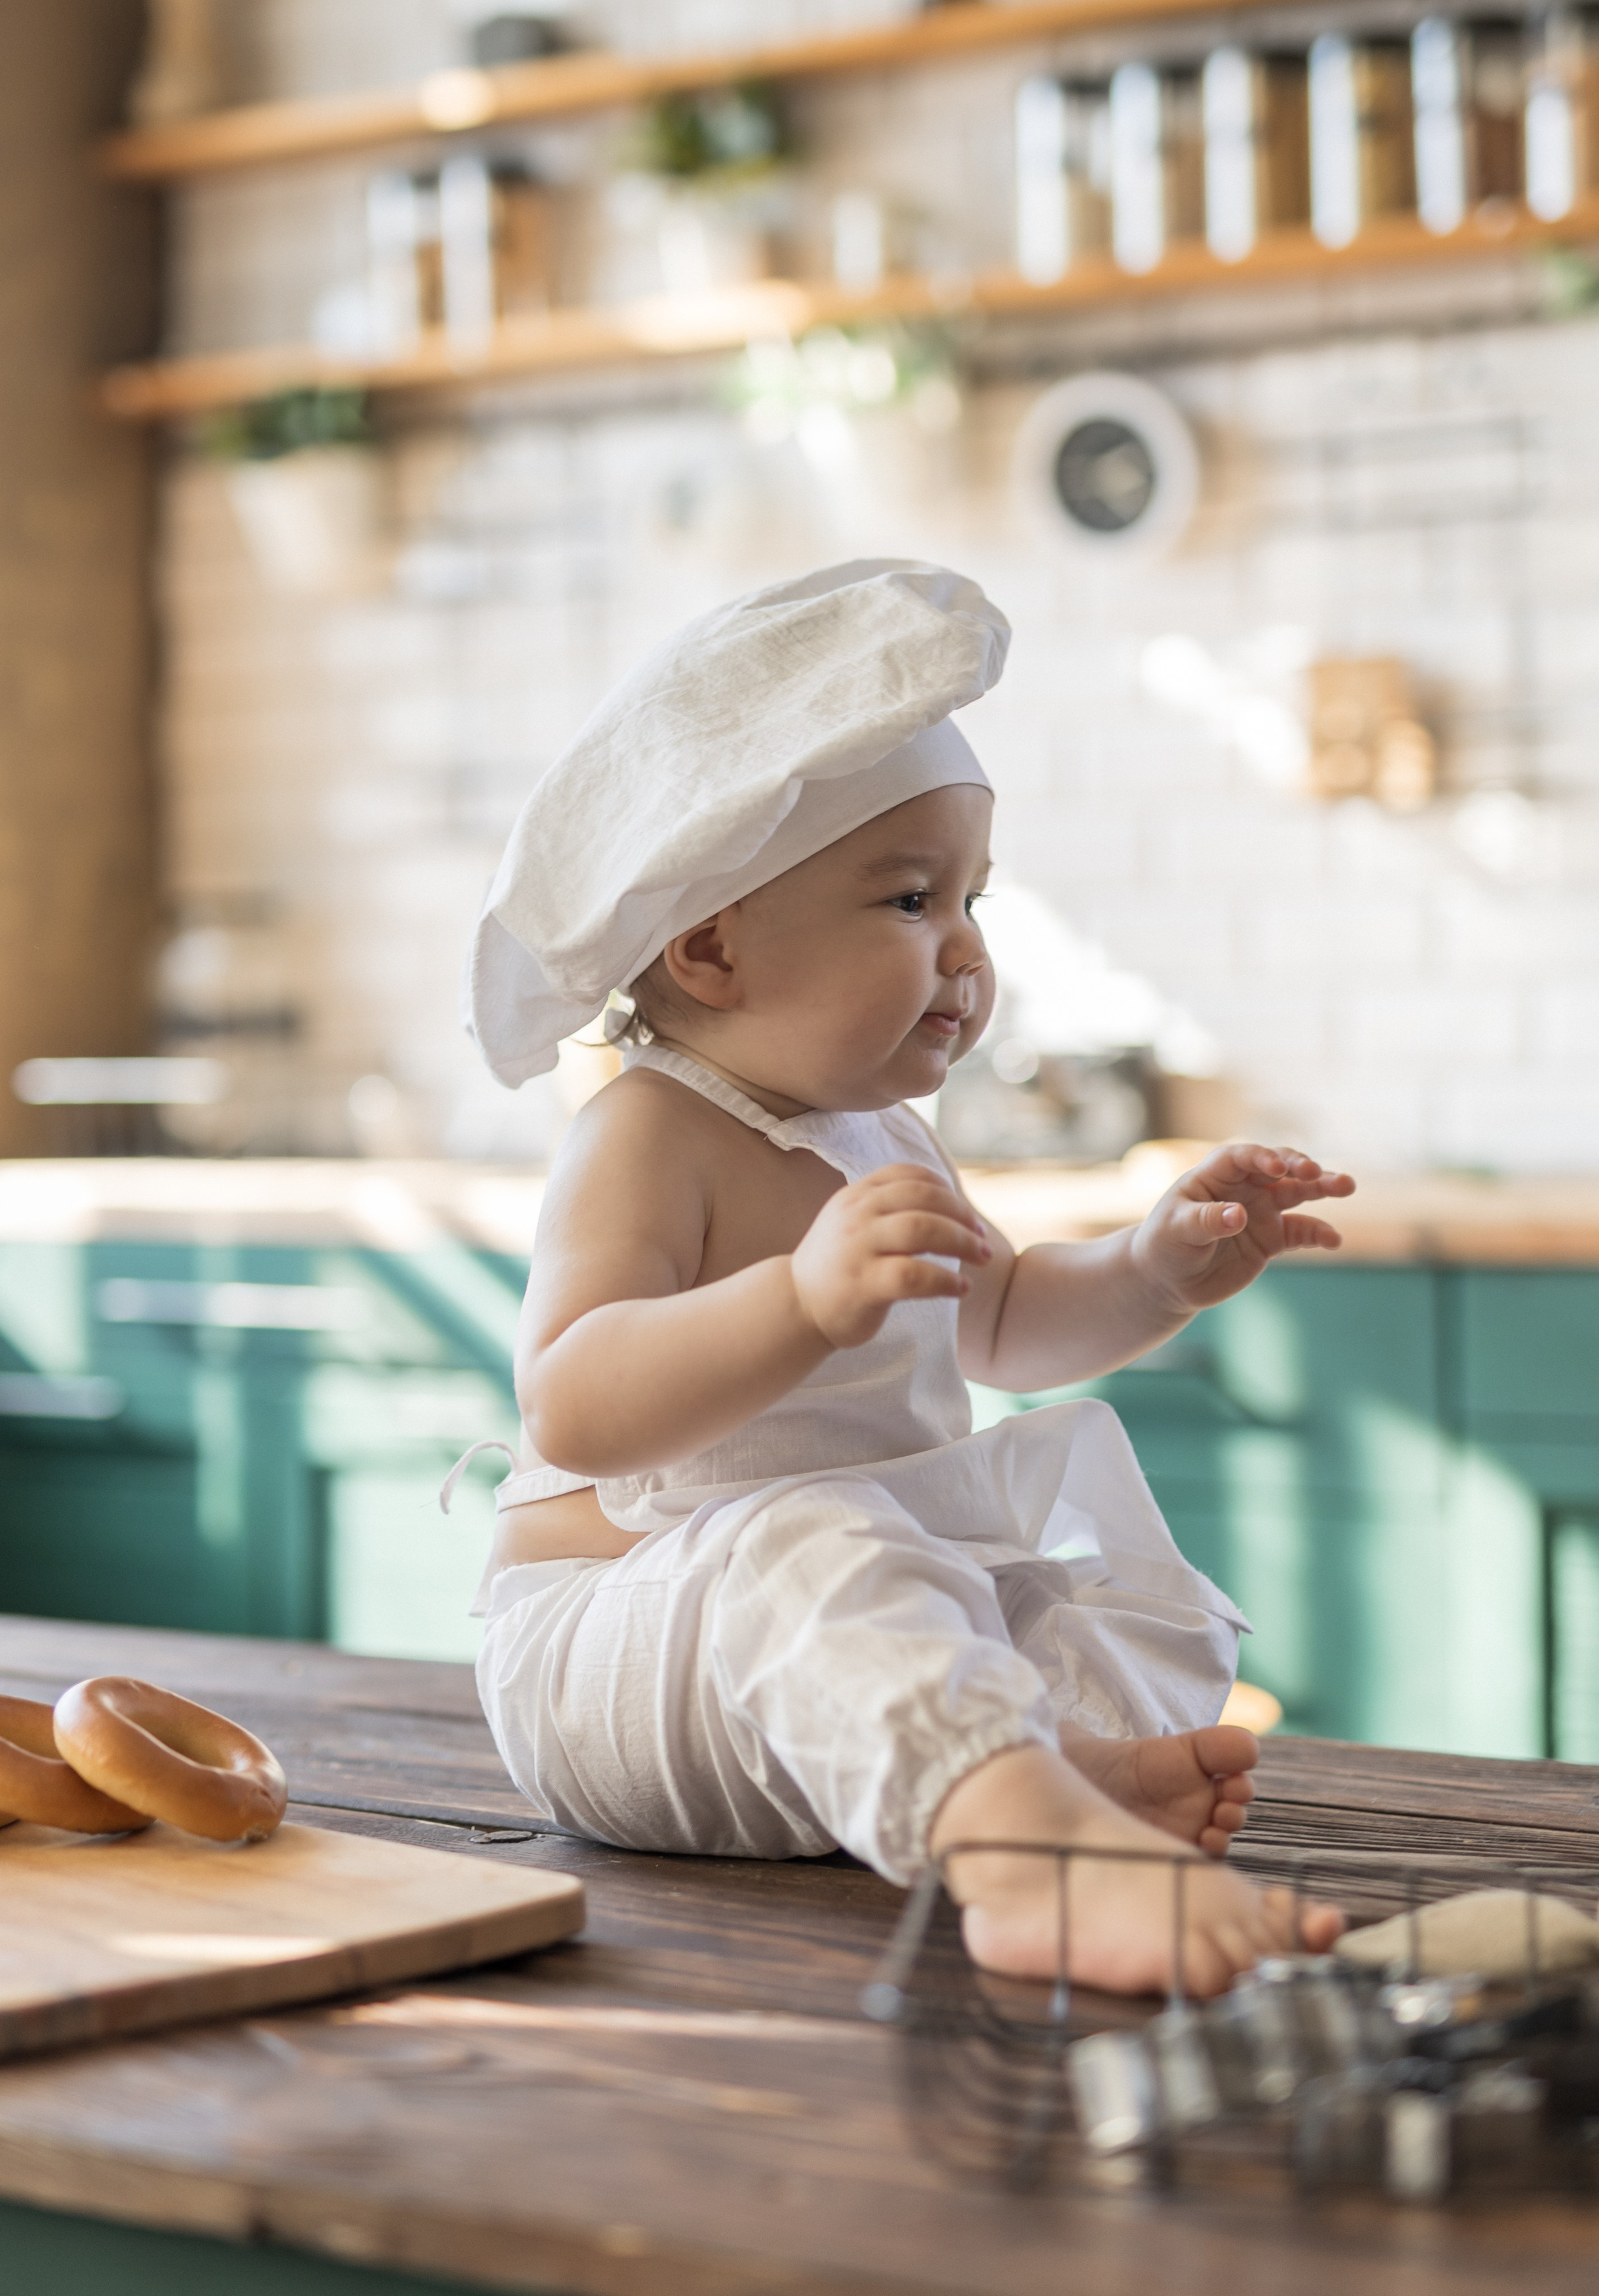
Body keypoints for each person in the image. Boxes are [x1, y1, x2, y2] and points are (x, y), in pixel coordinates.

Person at [453, 560, 1348, 1995]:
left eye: (974, 900)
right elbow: (574, 1403)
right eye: (912, 896)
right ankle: (1024, 1858)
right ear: (710, 943)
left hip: (797, 1671)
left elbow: (998, 1322)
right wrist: (796, 1298)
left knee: (1025, 1590)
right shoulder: (646, 1129)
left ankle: (1035, 1780)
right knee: (818, 1542)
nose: (968, 952)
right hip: (617, 1663)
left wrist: (1154, 1265)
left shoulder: (885, 1135)